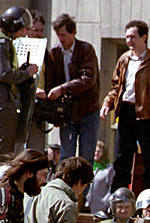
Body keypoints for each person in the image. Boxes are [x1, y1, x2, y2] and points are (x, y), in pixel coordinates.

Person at [101, 19, 150, 192]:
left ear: (144, 37)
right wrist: (107, 104)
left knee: (149, 161)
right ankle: (118, 199)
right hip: (125, 112)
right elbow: (117, 87)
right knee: (121, 159)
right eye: (126, 37)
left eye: (132, 37)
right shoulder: (124, 59)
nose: (129, 41)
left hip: (147, 116)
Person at [0, 6, 39, 169]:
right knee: (3, 147)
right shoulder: (2, 42)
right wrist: (27, 73)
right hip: (0, 97)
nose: (23, 33)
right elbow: (4, 74)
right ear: (13, 27)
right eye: (21, 30)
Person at [41, 13, 100, 165]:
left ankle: (84, 189)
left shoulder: (86, 50)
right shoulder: (54, 53)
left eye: (64, 35)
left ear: (74, 32)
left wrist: (62, 89)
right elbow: (49, 83)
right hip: (66, 112)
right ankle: (65, 187)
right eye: (58, 35)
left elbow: (88, 79)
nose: (61, 39)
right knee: (66, 156)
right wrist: (55, 112)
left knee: (86, 157)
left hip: (88, 110)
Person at [24, 9, 48, 152]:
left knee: (36, 146)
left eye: (41, 30)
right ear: (27, 30)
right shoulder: (20, 47)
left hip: (39, 105)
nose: (39, 34)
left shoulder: (44, 50)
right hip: (24, 103)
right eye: (36, 30)